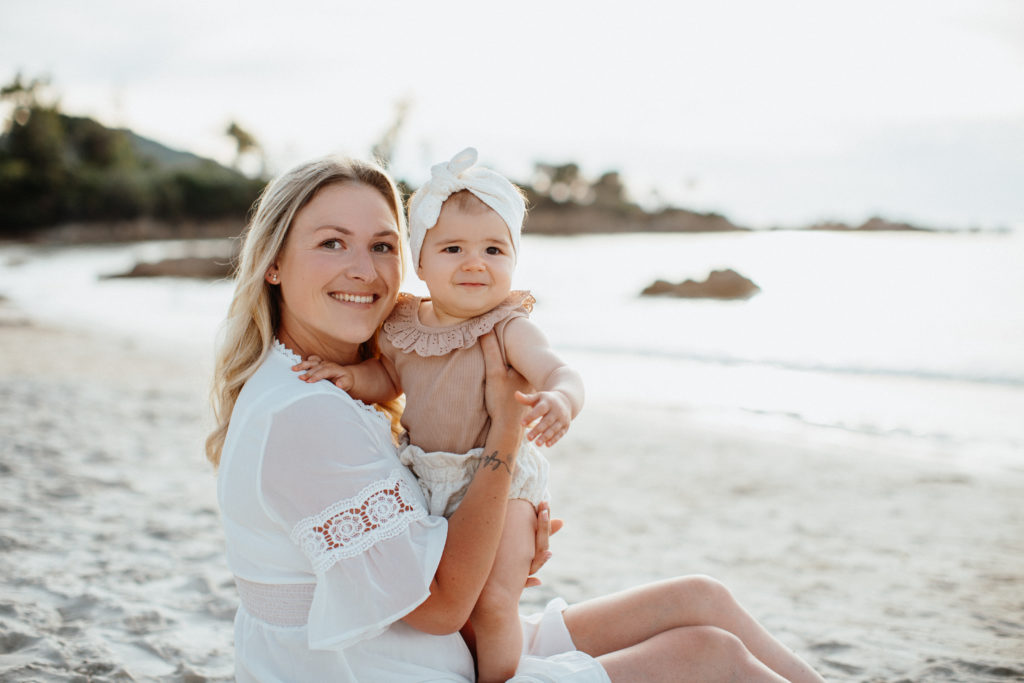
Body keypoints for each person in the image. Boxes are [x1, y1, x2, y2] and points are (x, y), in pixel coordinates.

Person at [207, 153, 827, 682]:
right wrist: (505, 439)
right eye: (331, 243)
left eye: (382, 246)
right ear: (273, 263)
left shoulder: (315, 383)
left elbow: (428, 564)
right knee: (707, 655)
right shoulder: (303, 411)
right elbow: (443, 606)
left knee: (700, 599)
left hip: (438, 647)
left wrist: (505, 532)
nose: (364, 270)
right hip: (403, 666)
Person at [291, 147, 582, 682]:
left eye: (494, 249)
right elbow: (390, 377)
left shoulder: (509, 326)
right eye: (453, 248)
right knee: (456, 597)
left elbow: (559, 371)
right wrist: (352, 378)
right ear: (420, 262)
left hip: (503, 486)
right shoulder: (404, 323)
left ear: (513, 261)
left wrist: (560, 400)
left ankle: (502, 677)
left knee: (493, 601)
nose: (475, 262)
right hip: (427, 479)